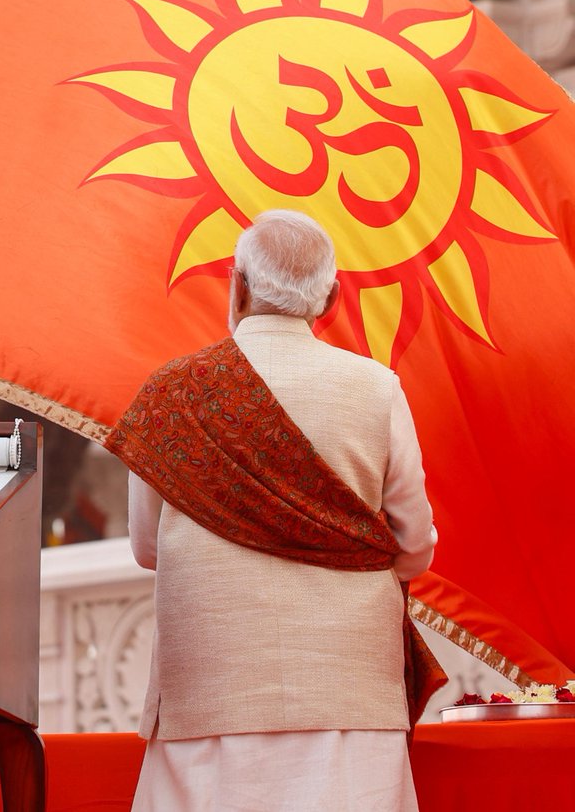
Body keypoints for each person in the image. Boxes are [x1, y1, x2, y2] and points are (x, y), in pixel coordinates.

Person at [112, 209, 439, 812]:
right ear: (332, 298)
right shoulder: (376, 388)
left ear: (236, 286)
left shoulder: (173, 392)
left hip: (212, 683)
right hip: (348, 683)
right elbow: (413, 542)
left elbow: (148, 548)